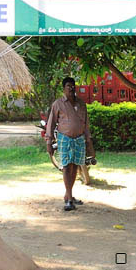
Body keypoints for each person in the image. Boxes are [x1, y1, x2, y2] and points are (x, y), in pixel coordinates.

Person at [45, 76, 92, 211]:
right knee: (66, 167)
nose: (71, 88)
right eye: (68, 86)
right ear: (64, 88)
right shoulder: (58, 104)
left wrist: (88, 140)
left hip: (79, 139)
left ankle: (69, 195)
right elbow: (51, 123)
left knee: (75, 166)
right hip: (64, 138)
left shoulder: (81, 104)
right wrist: (49, 142)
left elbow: (85, 123)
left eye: (73, 86)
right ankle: (69, 198)